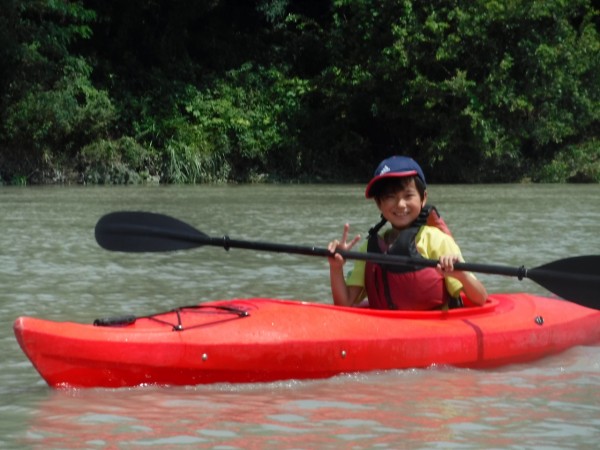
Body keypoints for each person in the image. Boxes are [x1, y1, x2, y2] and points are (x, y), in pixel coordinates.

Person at [328, 155, 488, 310]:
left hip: (434, 328)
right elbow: (344, 303)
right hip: (387, 329)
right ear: (379, 203)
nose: (400, 205)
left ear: (423, 198)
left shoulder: (437, 241)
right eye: (390, 197)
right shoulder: (369, 249)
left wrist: (461, 275)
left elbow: (480, 299)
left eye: (408, 195)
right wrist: (336, 268)